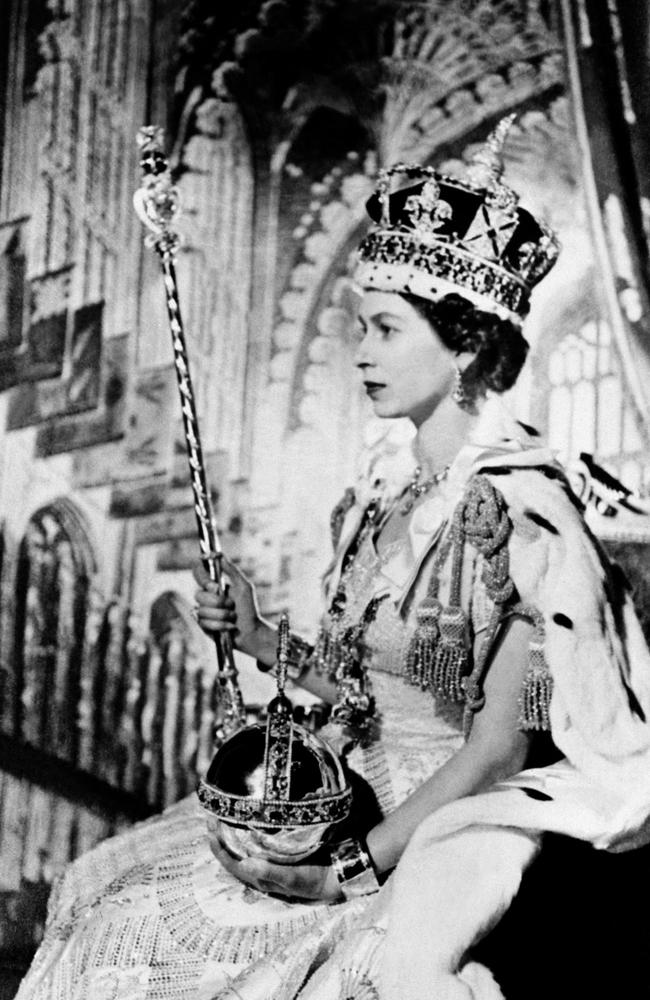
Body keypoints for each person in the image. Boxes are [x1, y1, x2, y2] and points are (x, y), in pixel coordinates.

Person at [16, 122, 650, 1000]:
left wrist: (344, 873)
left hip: (439, 818)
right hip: (334, 775)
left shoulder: (522, 516)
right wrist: (259, 637)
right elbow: (361, 685)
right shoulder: (379, 500)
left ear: (464, 345)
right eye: (360, 326)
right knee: (96, 887)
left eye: (387, 329)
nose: (361, 350)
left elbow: (497, 750)